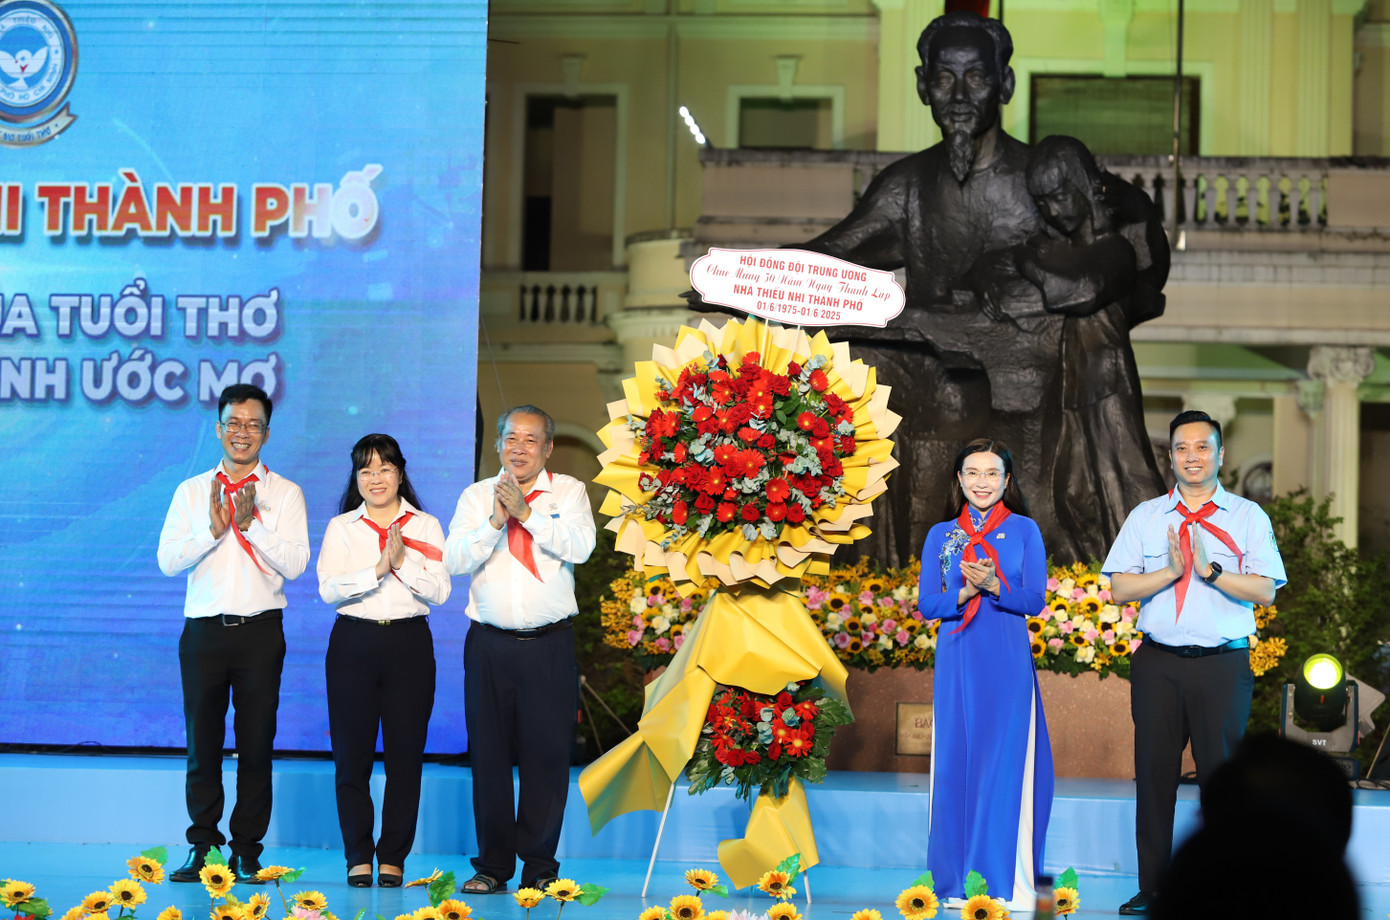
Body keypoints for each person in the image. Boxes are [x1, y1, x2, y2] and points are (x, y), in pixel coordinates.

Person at [1102, 409, 1287, 915]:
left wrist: (1210, 571)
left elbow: (1266, 591)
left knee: (1222, 783)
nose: (1192, 457)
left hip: (1222, 667)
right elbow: (1120, 588)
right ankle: (1154, 888)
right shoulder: (1146, 516)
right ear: (1170, 457)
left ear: (1221, 455)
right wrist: (1170, 572)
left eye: (1202, 447)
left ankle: (1222, 888)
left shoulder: (1248, 516)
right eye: (1182, 448)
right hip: (1158, 665)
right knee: (1154, 777)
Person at [156, 384, 309, 885]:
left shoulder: (284, 493)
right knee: (202, 743)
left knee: (256, 744)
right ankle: (202, 845)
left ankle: (246, 850)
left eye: (253, 425)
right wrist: (214, 530)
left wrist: (251, 526)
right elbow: (167, 561)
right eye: (234, 423)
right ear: (218, 428)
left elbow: (297, 564)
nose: (243, 433)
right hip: (203, 632)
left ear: (267, 433)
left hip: (260, 632)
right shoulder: (191, 491)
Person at [444, 405, 596, 894]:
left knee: (546, 759)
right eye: (511, 438)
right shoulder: (475, 496)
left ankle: (540, 867)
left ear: (548, 448)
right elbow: (454, 559)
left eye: (531, 440)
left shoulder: (568, 492)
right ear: (498, 445)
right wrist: (496, 520)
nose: (519, 448)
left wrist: (527, 515)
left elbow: (581, 548)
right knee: (488, 757)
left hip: (549, 646)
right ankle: (492, 866)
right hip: (489, 645)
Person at [1013, 135, 1166, 559]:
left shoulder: (1114, 249)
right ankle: (1093, 578)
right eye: (1043, 202)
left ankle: (1156, 571)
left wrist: (1031, 265)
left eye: (1060, 195)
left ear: (1082, 186)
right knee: (1074, 491)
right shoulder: (1065, 251)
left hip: (1107, 382)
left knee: (1125, 480)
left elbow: (1078, 293)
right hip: (1075, 384)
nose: (1053, 210)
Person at [916, 438, 1053, 910]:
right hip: (957, 658)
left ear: (1007, 480)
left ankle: (1000, 880)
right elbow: (927, 603)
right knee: (955, 763)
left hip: (1006, 659)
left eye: (992, 473)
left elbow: (1035, 600)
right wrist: (963, 595)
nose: (982, 482)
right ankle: (954, 882)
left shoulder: (1025, 530)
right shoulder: (941, 535)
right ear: (959, 478)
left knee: (1002, 763)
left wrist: (996, 586)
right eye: (972, 472)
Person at [317, 434, 452, 887]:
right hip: (353, 643)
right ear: (356, 477)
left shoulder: (426, 525)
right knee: (350, 756)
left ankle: (393, 855)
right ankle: (358, 854)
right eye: (366, 470)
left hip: (409, 645)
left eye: (385, 468)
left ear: (400, 472)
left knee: (405, 757)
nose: (376, 478)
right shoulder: (342, 527)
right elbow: (328, 589)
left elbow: (441, 590)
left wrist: (401, 563)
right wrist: (377, 569)